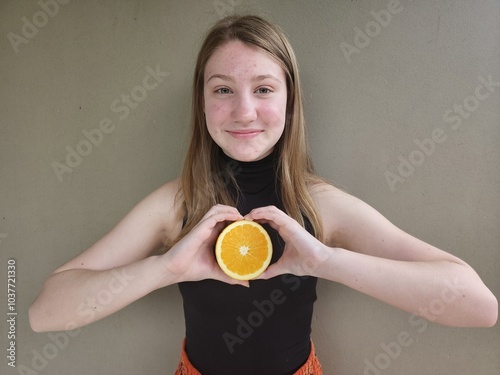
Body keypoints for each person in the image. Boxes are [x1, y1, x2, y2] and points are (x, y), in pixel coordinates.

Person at [29, 15, 497, 375]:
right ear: (203, 102)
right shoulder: (177, 204)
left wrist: (325, 262)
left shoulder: (322, 204)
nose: (244, 110)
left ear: (290, 100)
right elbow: (43, 315)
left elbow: (480, 307)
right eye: (223, 89)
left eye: (264, 88)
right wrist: (165, 268)